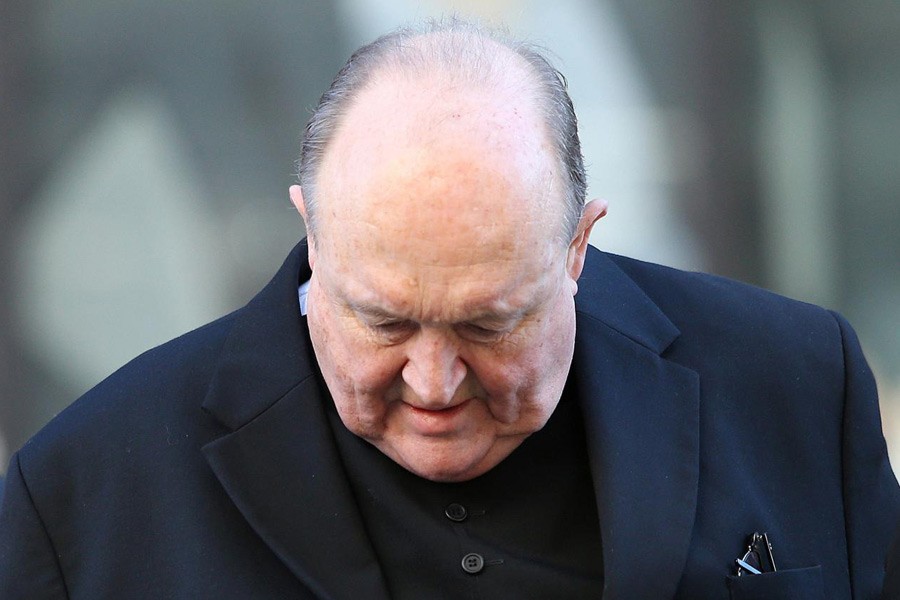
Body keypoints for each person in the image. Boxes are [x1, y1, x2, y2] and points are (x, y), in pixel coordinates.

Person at [1, 18, 897, 600]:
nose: (433, 384)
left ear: (579, 248)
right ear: (313, 236)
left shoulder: (800, 386)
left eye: (488, 324)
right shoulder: (86, 493)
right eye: (382, 322)